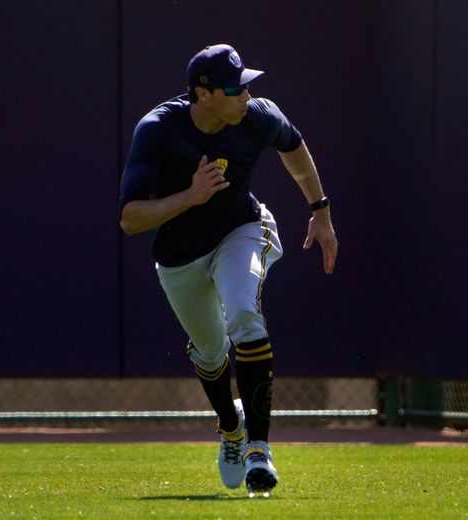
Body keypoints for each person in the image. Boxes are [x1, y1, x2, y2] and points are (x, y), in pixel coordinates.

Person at [118, 43, 338, 495]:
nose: (245, 94)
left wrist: (320, 210)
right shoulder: (158, 129)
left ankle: (259, 448)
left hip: (241, 229)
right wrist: (190, 197)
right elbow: (130, 219)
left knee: (243, 314)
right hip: (179, 256)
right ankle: (231, 429)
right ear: (203, 93)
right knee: (209, 350)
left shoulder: (256, 115)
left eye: (246, 85)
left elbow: (293, 146)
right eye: (235, 87)